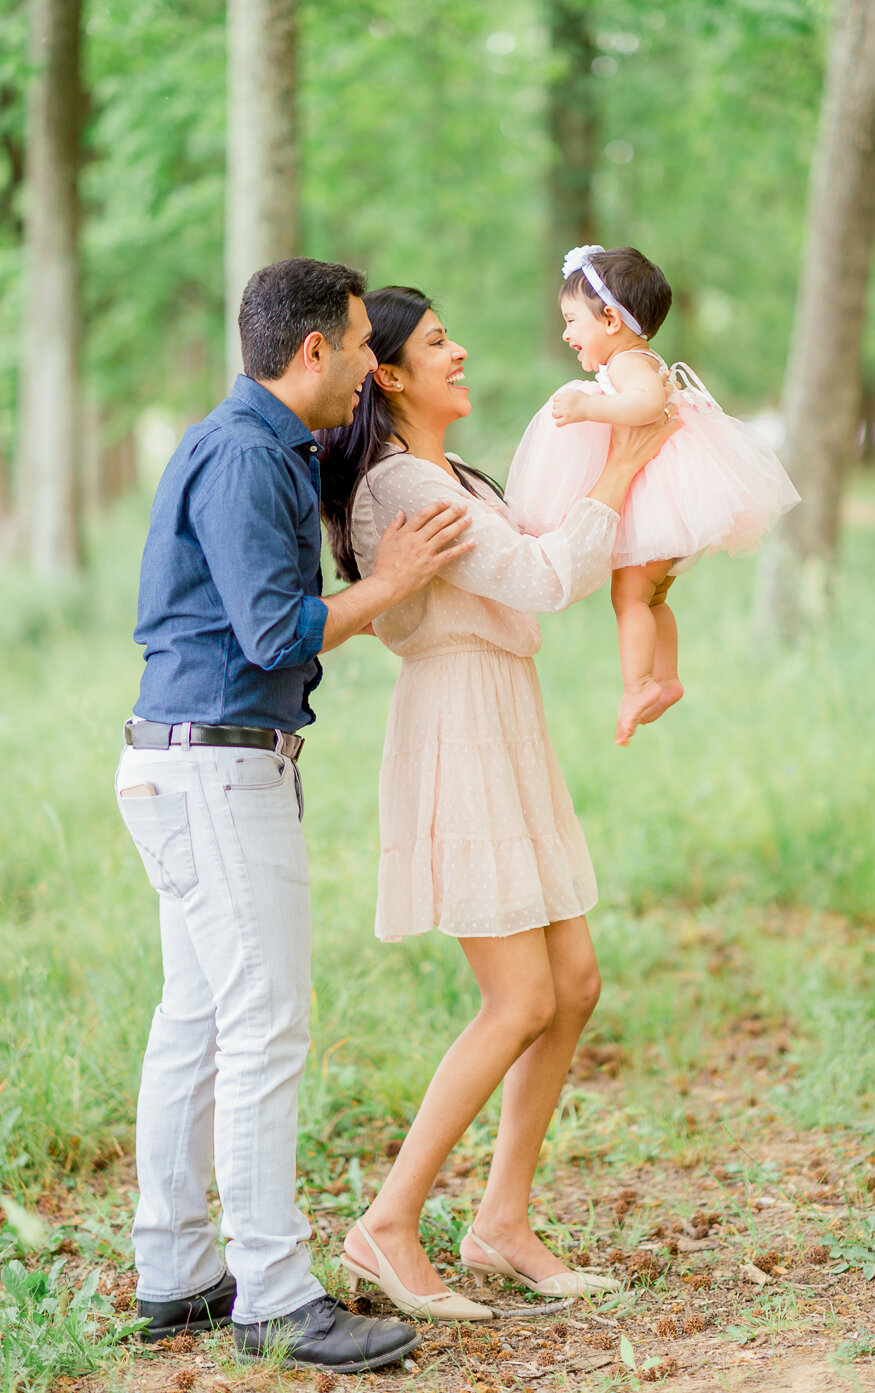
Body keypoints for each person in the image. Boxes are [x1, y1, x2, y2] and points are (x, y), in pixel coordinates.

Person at [115, 258, 476, 1374]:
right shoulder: (241, 457)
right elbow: (277, 635)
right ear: (312, 350)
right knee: (264, 1025)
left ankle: (175, 1269)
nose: (375, 362)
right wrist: (393, 577)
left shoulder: (264, 445)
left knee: (201, 1016)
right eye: (365, 343)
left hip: (190, 766)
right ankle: (273, 1292)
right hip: (217, 773)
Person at [318, 285, 677, 1321]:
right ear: (386, 373)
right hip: (458, 727)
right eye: (439, 344)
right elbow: (538, 575)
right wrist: (625, 462)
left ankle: (502, 1222)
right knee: (519, 995)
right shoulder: (396, 482)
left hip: (502, 714)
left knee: (573, 983)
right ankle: (386, 1223)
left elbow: (556, 553)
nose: (460, 351)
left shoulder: (451, 471)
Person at [504, 244, 801, 746]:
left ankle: (640, 684)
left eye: (573, 321)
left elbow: (643, 406)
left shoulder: (629, 367)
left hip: (660, 502)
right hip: (671, 503)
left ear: (612, 321)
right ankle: (666, 679)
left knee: (629, 595)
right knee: (654, 595)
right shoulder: (635, 359)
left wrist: (587, 408)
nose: (566, 333)